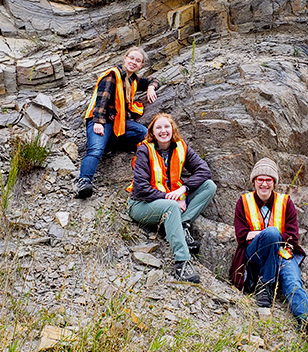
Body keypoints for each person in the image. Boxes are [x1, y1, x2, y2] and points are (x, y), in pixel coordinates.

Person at [229, 158, 308, 337]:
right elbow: (242, 236)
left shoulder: (286, 202)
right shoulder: (243, 202)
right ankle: (265, 288)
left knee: (293, 281)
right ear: (254, 182)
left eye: (269, 180)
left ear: (274, 182)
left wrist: (259, 234)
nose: (264, 184)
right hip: (254, 255)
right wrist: (268, 235)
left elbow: (293, 237)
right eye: (260, 179)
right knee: (273, 232)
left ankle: (307, 322)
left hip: (282, 254)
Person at [127, 113, 216, 283]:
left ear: (172, 128)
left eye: (167, 126)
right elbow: (141, 188)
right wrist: (172, 199)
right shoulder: (145, 149)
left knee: (209, 186)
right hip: (141, 205)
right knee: (171, 207)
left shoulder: (181, 146)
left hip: (172, 199)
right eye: (158, 127)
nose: (163, 130)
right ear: (152, 131)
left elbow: (204, 170)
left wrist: (184, 188)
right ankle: (182, 263)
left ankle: (182, 224)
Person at [76, 47, 160, 199]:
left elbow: (153, 80)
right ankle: (84, 182)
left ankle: (112, 144)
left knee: (143, 133)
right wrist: (98, 122)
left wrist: (151, 87)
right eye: (132, 58)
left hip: (118, 123)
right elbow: (102, 100)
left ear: (141, 65)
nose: (134, 62)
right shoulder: (112, 75)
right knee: (95, 149)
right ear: (125, 58)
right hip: (101, 119)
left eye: (138, 61)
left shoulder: (133, 79)